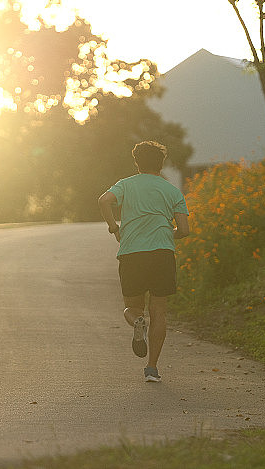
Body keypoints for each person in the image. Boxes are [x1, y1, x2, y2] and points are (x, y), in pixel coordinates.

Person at [98, 141, 189, 382]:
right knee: (159, 311)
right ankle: (152, 369)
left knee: (132, 308)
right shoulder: (172, 191)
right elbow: (185, 229)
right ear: (161, 164)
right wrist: (171, 233)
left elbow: (103, 201)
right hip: (162, 254)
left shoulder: (126, 185)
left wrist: (113, 227)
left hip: (132, 254)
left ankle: (138, 323)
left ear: (137, 162)